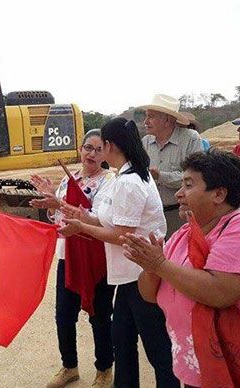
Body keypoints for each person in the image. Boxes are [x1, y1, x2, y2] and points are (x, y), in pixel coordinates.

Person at [121, 150, 240, 387]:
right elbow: (149, 294)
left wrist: (159, 264)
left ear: (219, 194)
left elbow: (221, 292)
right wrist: (151, 267)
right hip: (196, 366)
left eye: (188, 185)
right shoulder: (183, 234)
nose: (179, 194)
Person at [59, 118, 179, 388]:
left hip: (140, 274)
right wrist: (82, 217)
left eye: (101, 146)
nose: (98, 152)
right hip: (127, 275)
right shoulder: (125, 177)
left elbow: (122, 235)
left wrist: (82, 227)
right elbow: (108, 220)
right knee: (122, 340)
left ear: (110, 146)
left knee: (155, 345)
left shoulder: (128, 182)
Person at [30, 129, 115, 388]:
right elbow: (58, 219)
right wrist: (52, 202)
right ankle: (70, 366)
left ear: (106, 154)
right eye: (87, 147)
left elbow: (98, 217)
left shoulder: (109, 181)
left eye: (98, 149)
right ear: (80, 149)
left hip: (95, 257)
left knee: (99, 315)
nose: (91, 153)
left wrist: (58, 204)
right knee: (63, 315)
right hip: (67, 255)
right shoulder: (70, 179)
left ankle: (104, 370)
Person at [140, 95, 204, 239]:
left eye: (151, 117)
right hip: (151, 215)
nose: (146, 121)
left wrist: (160, 176)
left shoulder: (190, 139)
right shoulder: (145, 142)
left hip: (180, 214)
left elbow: (196, 179)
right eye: (146, 116)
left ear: (167, 120)